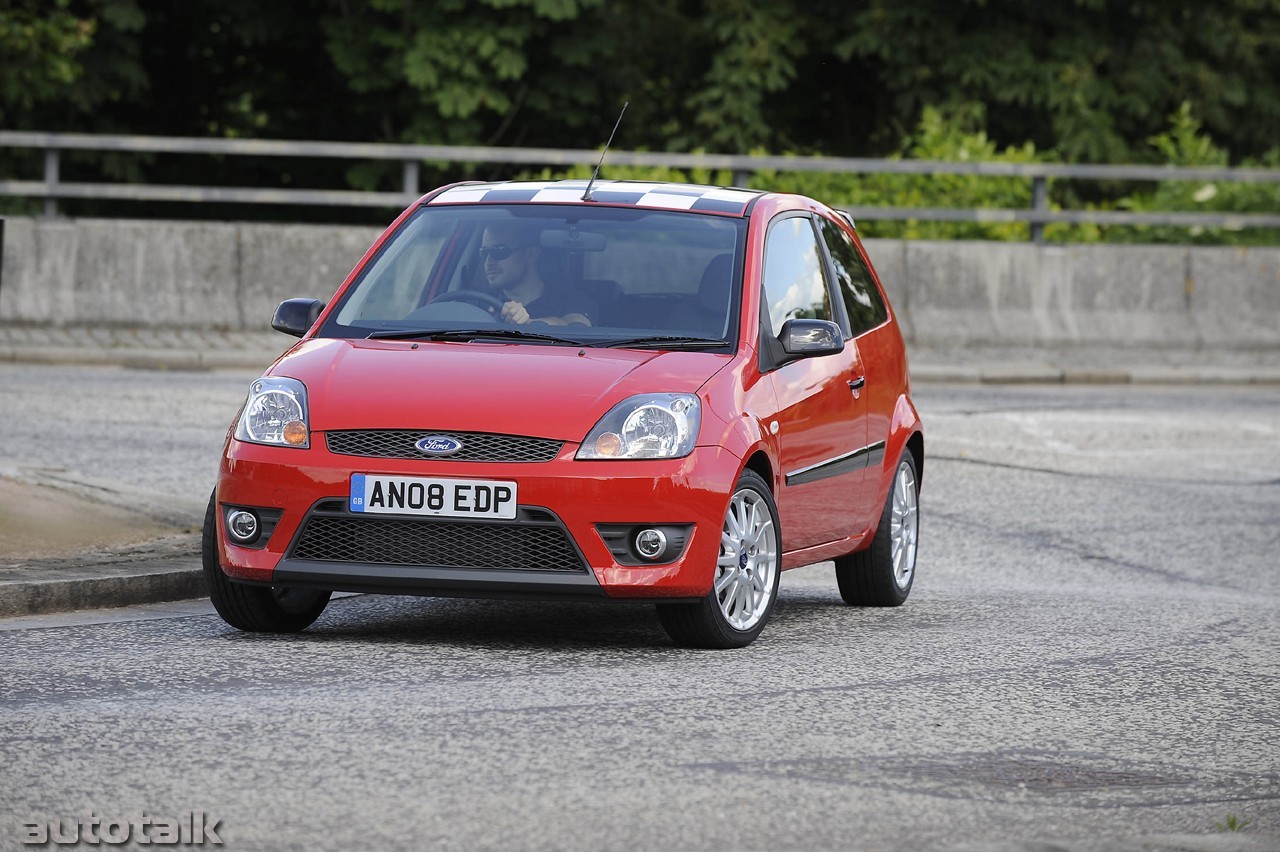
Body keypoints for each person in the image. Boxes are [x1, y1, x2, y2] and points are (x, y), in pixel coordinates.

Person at [480, 224, 596, 326]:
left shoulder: (572, 300)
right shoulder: (479, 304)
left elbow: (572, 325)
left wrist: (528, 323)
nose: (488, 262)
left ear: (532, 254)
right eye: (484, 253)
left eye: (499, 251)